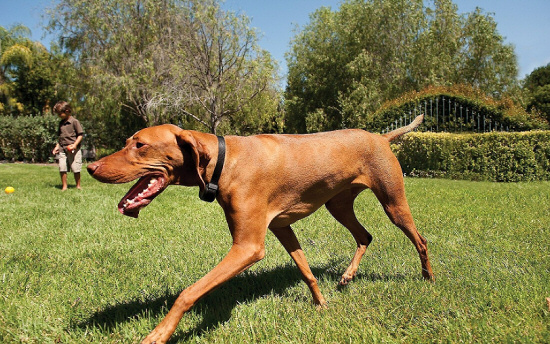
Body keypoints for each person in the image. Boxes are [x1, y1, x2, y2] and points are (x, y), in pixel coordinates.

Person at [51, 101, 84, 190]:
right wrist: (57, 147)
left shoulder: (74, 122)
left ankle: (78, 186)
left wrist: (75, 145)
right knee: (62, 167)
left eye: (60, 114)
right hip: (62, 149)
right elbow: (60, 137)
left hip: (73, 149)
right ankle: (64, 186)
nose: (59, 116)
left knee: (75, 168)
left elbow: (80, 135)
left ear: (67, 111)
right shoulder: (60, 124)